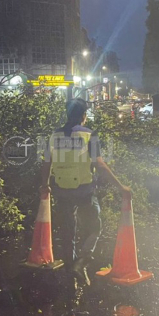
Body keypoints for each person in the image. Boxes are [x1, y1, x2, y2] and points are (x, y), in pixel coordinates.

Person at [40, 98, 131, 285]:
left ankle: (70, 269)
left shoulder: (54, 136)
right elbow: (100, 164)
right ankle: (82, 261)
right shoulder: (90, 135)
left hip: (60, 189)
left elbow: (47, 162)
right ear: (83, 116)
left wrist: (45, 183)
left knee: (67, 230)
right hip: (84, 191)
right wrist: (120, 186)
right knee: (94, 227)